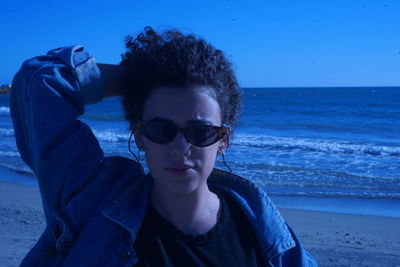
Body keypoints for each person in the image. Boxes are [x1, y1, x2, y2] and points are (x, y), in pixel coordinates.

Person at [10, 26, 317, 266]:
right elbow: (40, 81)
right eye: (161, 129)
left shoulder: (259, 222)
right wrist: (140, 79)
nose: (180, 147)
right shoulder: (91, 203)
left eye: (200, 131)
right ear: (139, 135)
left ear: (223, 140)